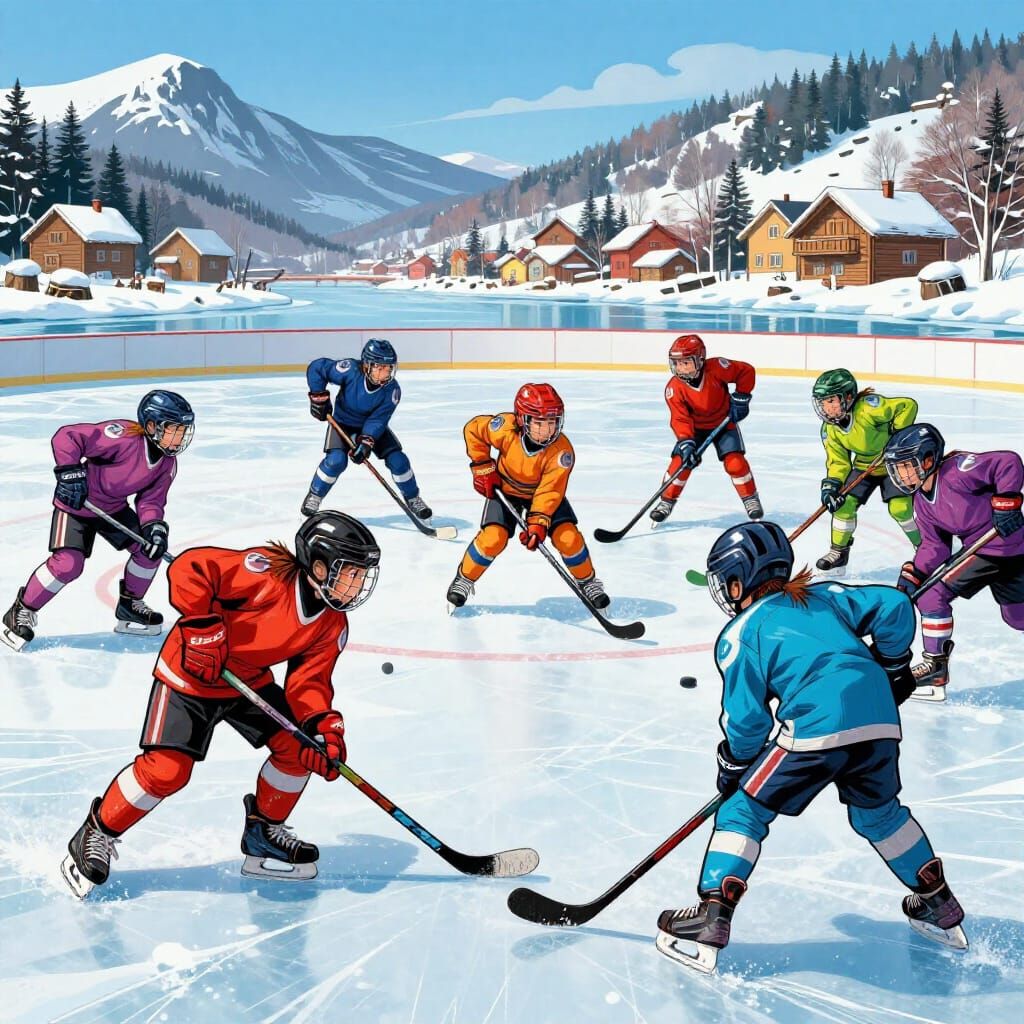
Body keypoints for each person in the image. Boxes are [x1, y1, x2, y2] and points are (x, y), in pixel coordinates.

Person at [656, 521, 966, 974]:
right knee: (879, 815)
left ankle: (713, 911)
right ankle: (938, 902)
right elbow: (895, 605)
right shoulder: (825, 596)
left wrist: (734, 764)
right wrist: (894, 667)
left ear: (739, 581)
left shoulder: (741, 633)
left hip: (816, 728)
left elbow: (747, 720)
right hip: (879, 719)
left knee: (744, 809)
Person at [60, 511, 380, 898]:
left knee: (300, 748)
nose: (357, 584)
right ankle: (96, 831)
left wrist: (321, 727)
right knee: (167, 771)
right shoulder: (265, 573)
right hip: (190, 676)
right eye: (351, 573)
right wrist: (201, 626)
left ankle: (264, 833)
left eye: (362, 576)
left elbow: (309, 682)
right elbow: (190, 568)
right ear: (318, 565)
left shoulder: (332, 624)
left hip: (248, 682)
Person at [2, 390, 194, 652]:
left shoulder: (167, 464)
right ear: (151, 426)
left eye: (183, 431)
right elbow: (67, 436)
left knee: (149, 550)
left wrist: (154, 528)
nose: (180, 437)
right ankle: (21, 609)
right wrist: (69, 472)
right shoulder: (123, 436)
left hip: (113, 508)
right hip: (77, 505)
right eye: (174, 430)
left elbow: (151, 501)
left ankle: (130, 605)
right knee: (68, 564)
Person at [883, 423, 1024, 701]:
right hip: (989, 551)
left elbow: (1008, 462)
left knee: (932, 596)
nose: (900, 474)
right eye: (897, 468)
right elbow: (934, 546)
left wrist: (1006, 502)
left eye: (905, 466)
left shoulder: (957, 470)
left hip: (1002, 545)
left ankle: (935, 669)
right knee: (1017, 618)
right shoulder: (921, 502)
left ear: (927, 459)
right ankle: (936, 667)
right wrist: (914, 574)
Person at [446, 383, 610, 612]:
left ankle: (588, 581)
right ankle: (464, 578)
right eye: (540, 423)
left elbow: (550, 491)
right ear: (523, 420)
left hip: (541, 496)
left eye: (552, 423)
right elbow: (474, 430)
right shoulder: (504, 428)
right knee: (493, 539)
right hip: (506, 491)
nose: (547, 430)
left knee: (568, 538)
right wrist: (482, 466)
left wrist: (538, 522)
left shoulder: (562, 452)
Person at [301, 338, 431, 520]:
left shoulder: (392, 390)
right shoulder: (350, 370)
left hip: (371, 427)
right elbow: (317, 368)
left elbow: (378, 420)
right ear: (366, 365)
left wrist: (367, 442)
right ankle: (315, 495)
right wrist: (318, 397)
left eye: (389, 368)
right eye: (380, 368)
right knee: (336, 461)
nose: (385, 373)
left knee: (399, 461)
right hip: (342, 423)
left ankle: (413, 498)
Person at [812, 369, 919, 575]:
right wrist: (832, 486)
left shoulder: (868, 408)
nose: (826, 408)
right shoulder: (830, 429)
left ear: (848, 397)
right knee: (843, 505)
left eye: (831, 401)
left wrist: (897, 437)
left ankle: (925, 546)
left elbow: (907, 405)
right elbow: (838, 461)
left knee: (900, 509)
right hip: (864, 466)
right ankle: (839, 552)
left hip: (893, 463)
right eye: (823, 402)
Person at [651, 334, 762, 526]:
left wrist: (742, 397)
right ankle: (666, 502)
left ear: (700, 360)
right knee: (680, 463)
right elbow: (679, 418)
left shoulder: (717, 367)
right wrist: (686, 443)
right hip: (695, 430)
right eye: (677, 364)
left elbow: (746, 371)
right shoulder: (674, 389)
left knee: (735, 464)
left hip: (724, 423)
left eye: (686, 363)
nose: (680, 368)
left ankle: (750, 498)